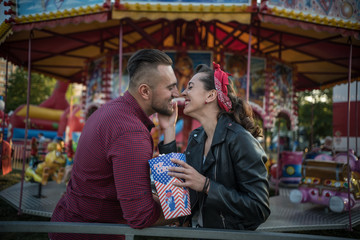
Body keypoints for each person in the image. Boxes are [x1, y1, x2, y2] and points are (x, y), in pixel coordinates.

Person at [49, 49, 180, 240]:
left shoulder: (112, 110)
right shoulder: (131, 132)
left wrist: (169, 130)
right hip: (88, 234)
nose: (176, 93)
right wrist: (181, 208)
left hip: (70, 224)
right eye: (170, 87)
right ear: (144, 91)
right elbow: (140, 217)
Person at [158, 62, 270, 230]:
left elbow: (259, 208)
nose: (183, 92)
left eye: (190, 87)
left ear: (210, 96)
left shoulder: (240, 140)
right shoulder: (196, 139)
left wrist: (206, 186)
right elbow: (176, 199)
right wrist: (169, 129)